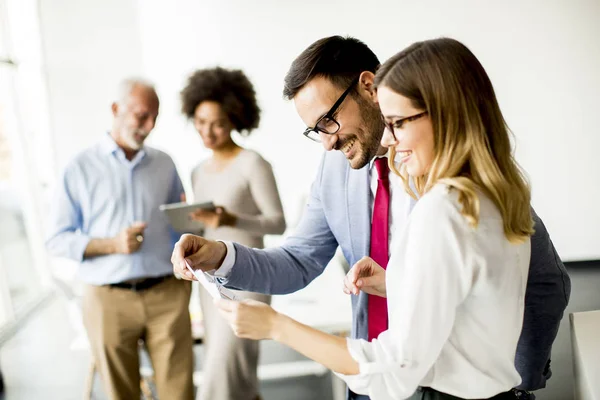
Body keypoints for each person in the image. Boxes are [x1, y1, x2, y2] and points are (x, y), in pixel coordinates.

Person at [171, 36, 570, 399]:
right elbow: (299, 258)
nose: (327, 142)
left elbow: (542, 281)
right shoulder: (334, 170)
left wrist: (516, 380)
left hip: (436, 381)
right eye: (314, 131)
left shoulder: (449, 193)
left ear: (367, 86)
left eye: (328, 120)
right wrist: (221, 256)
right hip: (367, 376)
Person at [46, 78, 194, 400]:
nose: (149, 125)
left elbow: (179, 224)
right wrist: (111, 245)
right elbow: (56, 240)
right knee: (121, 393)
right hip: (107, 300)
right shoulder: (79, 168)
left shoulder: (165, 163)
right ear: (115, 109)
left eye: (155, 117)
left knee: (180, 392)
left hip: (167, 294)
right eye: (142, 116)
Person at [180, 67, 286, 400]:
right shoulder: (197, 170)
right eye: (200, 121)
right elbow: (206, 227)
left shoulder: (253, 163)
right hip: (211, 282)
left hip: (249, 279)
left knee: (222, 375)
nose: (207, 131)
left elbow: (278, 223)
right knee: (234, 371)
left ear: (235, 119)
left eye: (217, 123)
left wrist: (233, 218)